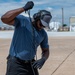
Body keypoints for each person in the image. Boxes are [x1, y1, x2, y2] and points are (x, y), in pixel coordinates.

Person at [1, 1, 52, 75]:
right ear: (36, 18)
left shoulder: (43, 34)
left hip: (31, 64)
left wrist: (43, 59)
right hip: (16, 63)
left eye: (44, 26)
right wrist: (23, 8)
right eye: (41, 24)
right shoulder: (23, 21)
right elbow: (4, 18)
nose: (42, 27)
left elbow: (46, 50)